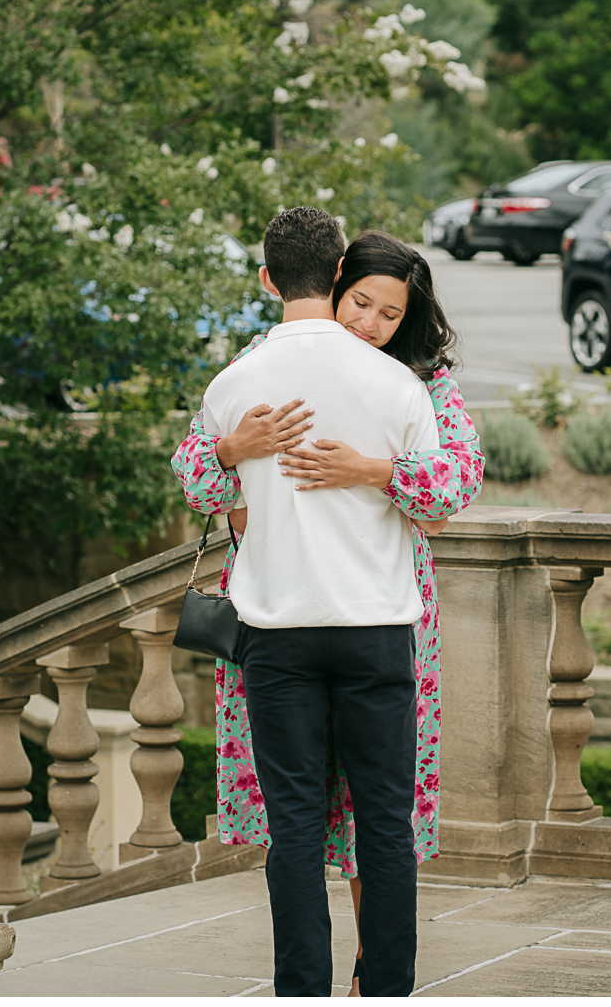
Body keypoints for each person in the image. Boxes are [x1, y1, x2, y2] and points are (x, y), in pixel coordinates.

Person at [172, 213, 484, 997]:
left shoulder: (415, 380)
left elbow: (450, 492)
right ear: (335, 278)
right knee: (347, 821)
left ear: (271, 279)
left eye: (392, 312)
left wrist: (373, 469)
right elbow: (205, 475)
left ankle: (361, 978)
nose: (374, 322)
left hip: (347, 615)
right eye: (363, 303)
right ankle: (365, 984)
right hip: (350, 617)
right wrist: (231, 453)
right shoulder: (313, 377)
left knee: (361, 821)